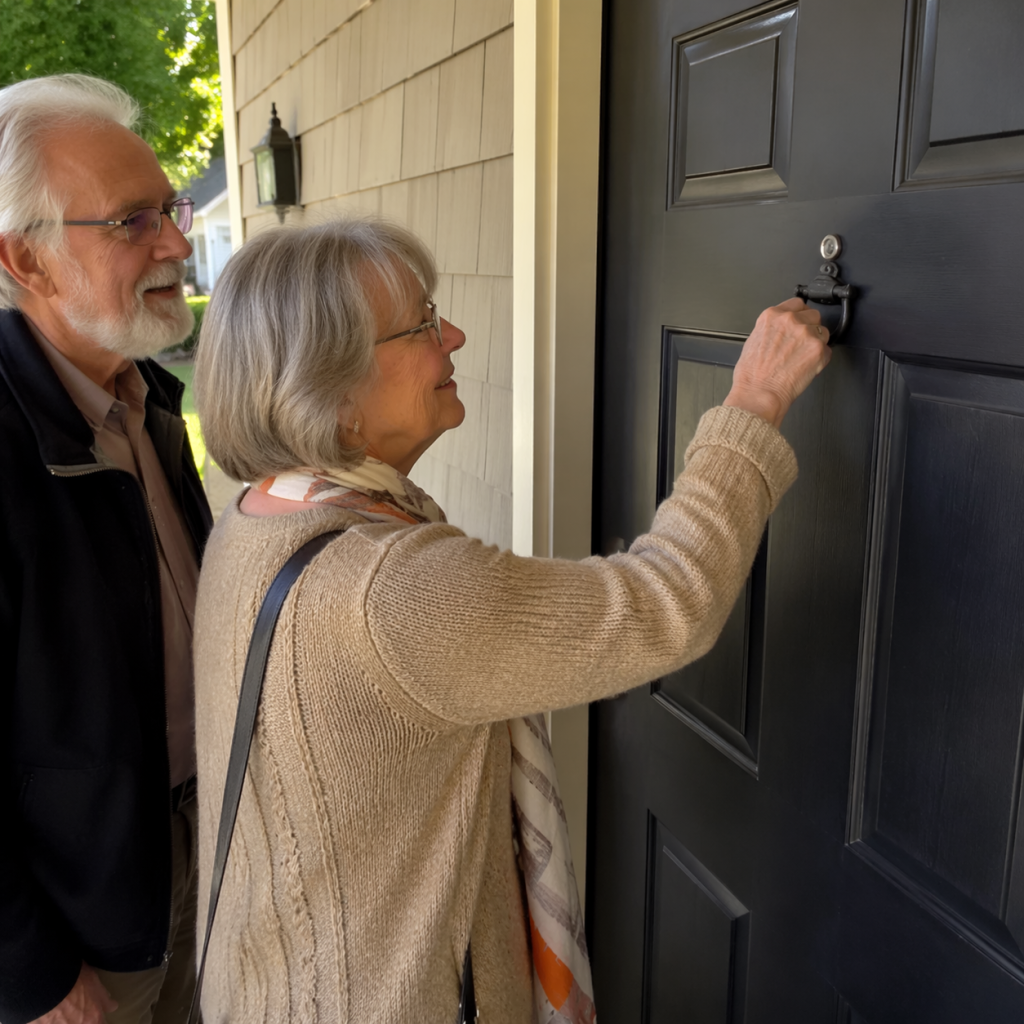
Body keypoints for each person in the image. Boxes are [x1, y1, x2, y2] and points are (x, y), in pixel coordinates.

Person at [191, 218, 830, 1023]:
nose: (452, 334)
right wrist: (757, 398)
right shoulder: (389, 590)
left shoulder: (256, 519)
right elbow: (669, 602)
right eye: (422, 323)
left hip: (269, 987)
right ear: (335, 392)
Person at [0, 76, 213, 1024]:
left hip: (194, 874)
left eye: (168, 209)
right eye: (133, 222)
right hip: (79, 937)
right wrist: (35, 978)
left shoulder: (146, 399)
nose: (178, 241)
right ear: (27, 263)